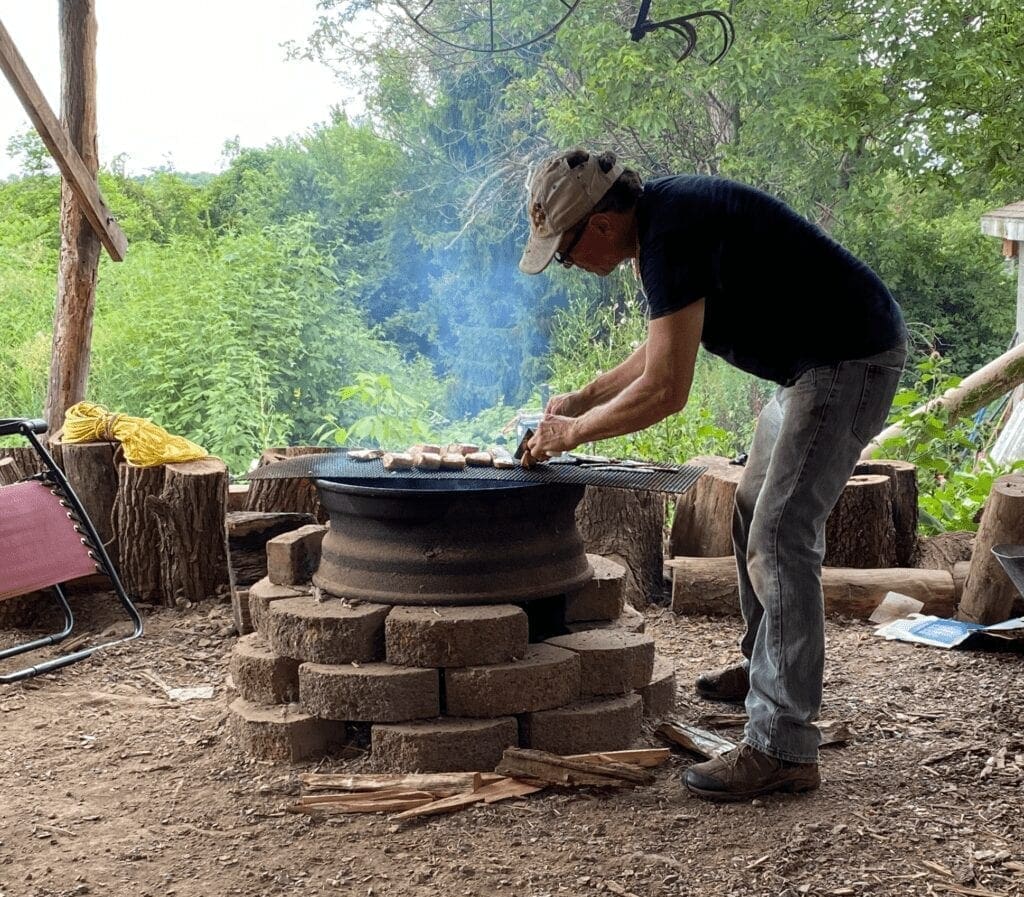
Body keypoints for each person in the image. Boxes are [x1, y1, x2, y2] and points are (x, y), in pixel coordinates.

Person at [518, 147, 907, 802]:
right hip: (813, 365)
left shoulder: (670, 230)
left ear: (600, 224)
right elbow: (659, 347)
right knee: (755, 508)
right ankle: (767, 666)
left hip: (848, 360)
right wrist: (582, 398)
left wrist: (572, 433)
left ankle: (782, 745)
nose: (568, 263)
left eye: (564, 249)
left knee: (782, 536)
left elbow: (666, 389)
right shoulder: (660, 226)